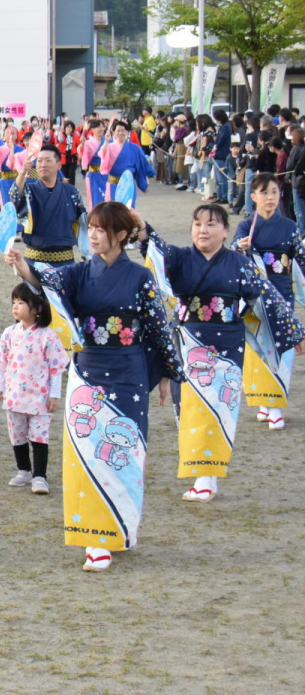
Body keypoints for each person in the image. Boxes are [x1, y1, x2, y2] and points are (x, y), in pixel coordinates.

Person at [7, 202, 185, 572]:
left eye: (101, 229)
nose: (92, 235)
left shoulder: (140, 277)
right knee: (86, 455)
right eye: (89, 227)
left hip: (128, 372)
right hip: (87, 370)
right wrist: (22, 265)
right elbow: (47, 281)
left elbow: (157, 326)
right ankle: (95, 539)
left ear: (120, 235)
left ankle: (120, 529)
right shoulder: (78, 272)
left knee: (123, 453)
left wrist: (167, 371)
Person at [135, 201, 302, 504]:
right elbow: (155, 253)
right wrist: (143, 230)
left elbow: (267, 298)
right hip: (187, 343)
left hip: (225, 347)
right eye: (198, 223)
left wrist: (293, 332)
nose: (203, 229)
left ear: (226, 231)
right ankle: (202, 474)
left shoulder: (239, 264)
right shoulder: (180, 258)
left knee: (217, 410)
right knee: (186, 406)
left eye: (212, 224)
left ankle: (207, 478)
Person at [232, 173, 305, 431]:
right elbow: (233, 257)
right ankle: (265, 402)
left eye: (274, 192)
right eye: (264, 193)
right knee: (259, 350)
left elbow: (301, 260)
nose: (270, 198)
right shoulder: (245, 227)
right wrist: (240, 247)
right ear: (253, 197)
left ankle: (275, 407)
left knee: (282, 351)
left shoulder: (290, 227)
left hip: (282, 293)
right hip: (254, 297)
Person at [0, 283, 70, 495]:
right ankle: (24, 470)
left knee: (39, 437)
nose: (15, 307)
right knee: (17, 435)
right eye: (14, 303)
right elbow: (2, 364)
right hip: (14, 396)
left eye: (21, 303)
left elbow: (56, 369)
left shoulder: (48, 336)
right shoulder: (9, 333)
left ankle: (40, 476)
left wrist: (54, 395)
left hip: (40, 399)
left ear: (37, 309)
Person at [11, 144, 87, 271]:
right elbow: (14, 197)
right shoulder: (29, 190)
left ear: (58, 165)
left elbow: (83, 223)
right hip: (34, 261)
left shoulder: (71, 192)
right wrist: (23, 172)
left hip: (65, 262)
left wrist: (86, 252)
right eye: (39, 160)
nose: (43, 164)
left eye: (48, 160)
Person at [78, 118, 108, 208]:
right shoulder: (88, 143)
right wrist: (82, 144)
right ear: (92, 129)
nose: (101, 129)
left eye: (103, 126)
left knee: (107, 197)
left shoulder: (108, 141)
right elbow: (81, 153)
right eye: (98, 127)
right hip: (94, 175)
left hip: (106, 174)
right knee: (95, 197)